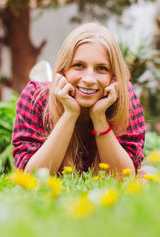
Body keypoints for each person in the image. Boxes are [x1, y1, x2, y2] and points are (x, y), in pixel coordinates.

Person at [12, 22, 146, 176]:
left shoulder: (124, 97)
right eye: (79, 65)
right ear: (63, 70)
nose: (89, 79)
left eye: (101, 68)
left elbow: (125, 179)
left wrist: (99, 117)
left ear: (113, 76)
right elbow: (32, 180)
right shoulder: (36, 96)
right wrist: (70, 113)